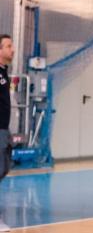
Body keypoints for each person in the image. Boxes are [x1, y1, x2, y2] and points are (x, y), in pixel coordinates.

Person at [0, 35, 13, 232]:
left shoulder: (4, 72)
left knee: (3, 169)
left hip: (3, 129)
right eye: (9, 46)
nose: (12, 49)